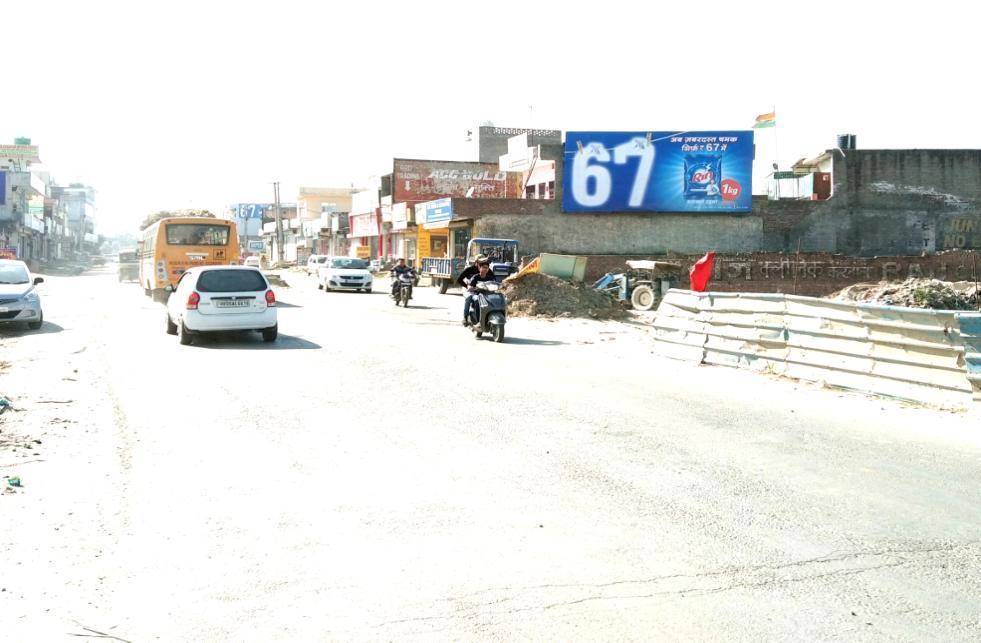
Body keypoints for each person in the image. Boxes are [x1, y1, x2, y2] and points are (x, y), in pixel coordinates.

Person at [462, 260, 497, 326]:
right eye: (483, 267)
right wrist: (471, 288)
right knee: (477, 300)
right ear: (479, 268)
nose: (485, 269)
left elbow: (495, 283)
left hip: (488, 295)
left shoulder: (490, 278)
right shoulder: (475, 277)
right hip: (477, 295)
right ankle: (476, 320)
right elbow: (470, 286)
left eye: (487, 268)